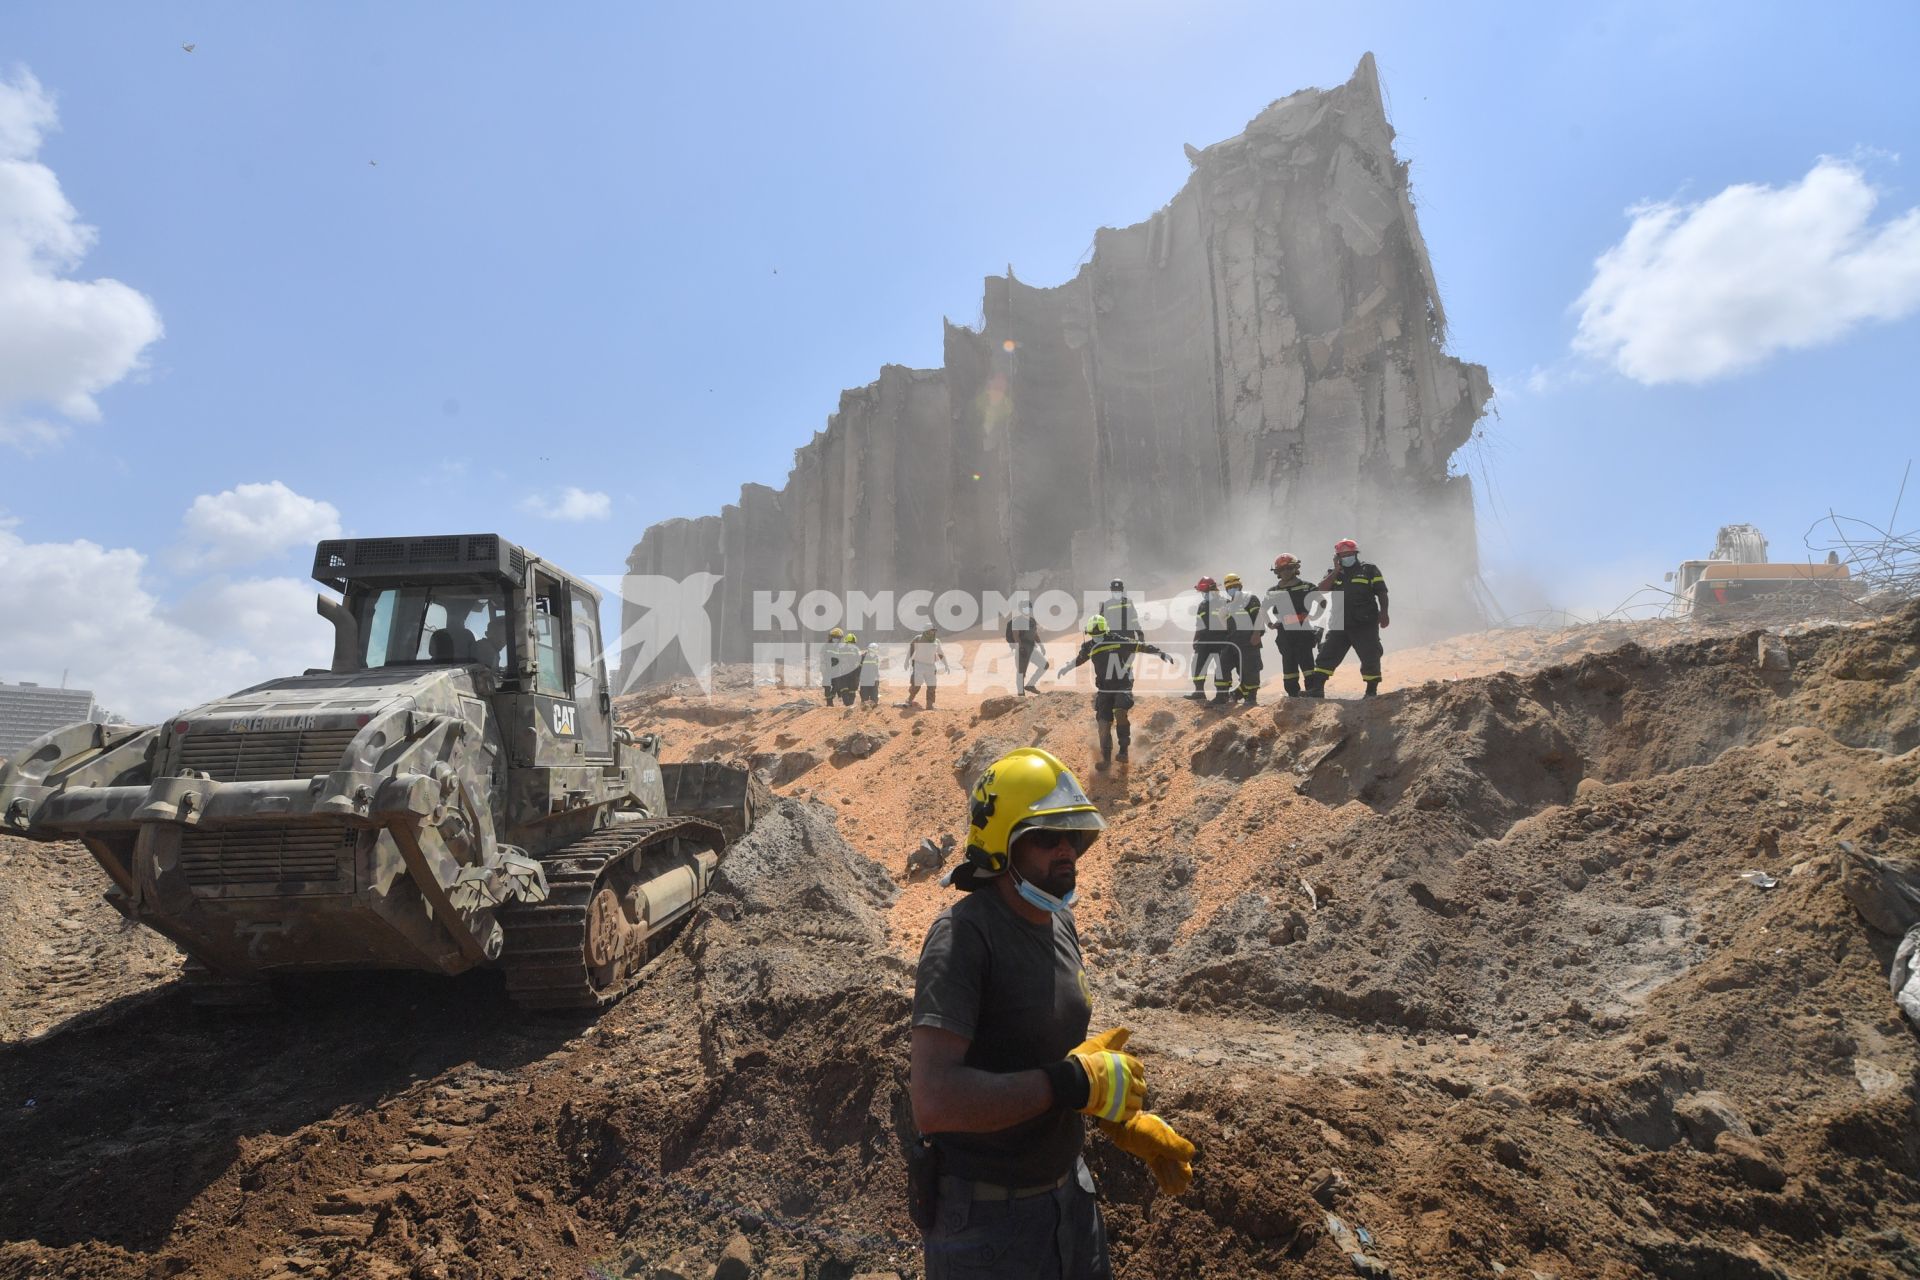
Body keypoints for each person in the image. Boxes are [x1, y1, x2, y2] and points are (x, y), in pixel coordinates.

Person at [911, 748, 1197, 1280]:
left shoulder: (1057, 923)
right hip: (986, 1229)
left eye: (1074, 836)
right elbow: (934, 1101)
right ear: (1003, 845)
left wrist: (1118, 1114)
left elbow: (1049, 1057)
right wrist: (1067, 1085)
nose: (1066, 849)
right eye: (1046, 836)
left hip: (1071, 1203)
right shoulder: (963, 938)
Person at [1057, 616, 1176, 771]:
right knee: (1103, 724)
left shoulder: (1116, 640)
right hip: (1104, 689)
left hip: (1122, 684)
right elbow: (1079, 659)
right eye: (1093, 634)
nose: (1097, 636)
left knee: (1120, 712)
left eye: (1099, 633)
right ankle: (1106, 760)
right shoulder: (1088, 647)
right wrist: (1066, 668)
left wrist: (1159, 653)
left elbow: (1138, 646)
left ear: (1105, 630)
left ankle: (1123, 751)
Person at [1305, 538, 1390, 698]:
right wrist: (1337, 570)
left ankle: (1371, 691)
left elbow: (1382, 592)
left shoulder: (1369, 570)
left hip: (1364, 623)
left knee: (1370, 655)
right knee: (1327, 655)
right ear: (1337, 557)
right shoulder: (1333, 573)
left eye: (1349, 554)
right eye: (1342, 555)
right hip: (1339, 623)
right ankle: (1317, 690)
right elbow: (1321, 590)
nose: (1346, 557)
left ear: (1356, 554)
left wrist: (1384, 613)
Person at [1266, 554, 1319, 697]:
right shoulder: (1273, 591)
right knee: (1288, 664)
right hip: (1284, 633)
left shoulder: (1307, 586)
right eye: (1282, 569)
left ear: (1295, 568)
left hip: (1303, 630)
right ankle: (1293, 695)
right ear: (1277, 572)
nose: (1286, 572)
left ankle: (1312, 693)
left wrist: (1312, 616)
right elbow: (1263, 610)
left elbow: (1322, 603)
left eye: (1289, 568)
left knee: (1307, 662)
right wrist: (1270, 623)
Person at [1187, 576, 1237, 705]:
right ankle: (1199, 692)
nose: (1204, 595)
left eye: (1206, 592)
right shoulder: (1202, 605)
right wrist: (1195, 638)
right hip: (1204, 641)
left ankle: (1222, 696)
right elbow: (1199, 624)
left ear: (1214, 589)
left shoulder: (1226, 603)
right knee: (1197, 665)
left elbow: (1231, 624)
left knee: (1222, 669)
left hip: (1221, 641)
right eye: (1203, 593)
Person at [1221, 572, 1264, 705]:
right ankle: (1227, 695)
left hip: (1248, 642)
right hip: (1232, 643)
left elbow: (1259, 617)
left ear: (1240, 586)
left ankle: (1251, 698)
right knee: (1224, 666)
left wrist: (1257, 634)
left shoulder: (1250, 598)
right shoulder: (1227, 605)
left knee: (1250, 669)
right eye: (1229, 587)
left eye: (1234, 586)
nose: (1232, 589)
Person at [1005, 597, 1048, 695]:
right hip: (1022, 648)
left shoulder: (1032, 620)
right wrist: (1020, 647)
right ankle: (1021, 693)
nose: (1027, 609)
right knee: (1021, 672)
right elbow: (1016, 635)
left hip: (1032, 648)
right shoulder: (1017, 620)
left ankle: (1030, 685)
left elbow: (1035, 634)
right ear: (1020, 609)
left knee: (1045, 665)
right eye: (1024, 608)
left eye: (1028, 607)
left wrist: (1041, 645)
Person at [904, 627, 952, 708]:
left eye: (934, 631)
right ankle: (909, 699)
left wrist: (946, 664)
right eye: (931, 630)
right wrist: (906, 661)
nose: (932, 632)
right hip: (919, 665)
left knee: (932, 686)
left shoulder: (936, 641)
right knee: (916, 683)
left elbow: (940, 654)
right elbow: (911, 650)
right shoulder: (918, 638)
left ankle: (929, 705)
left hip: (930, 666)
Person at [821, 627, 847, 706]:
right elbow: (822, 657)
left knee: (837, 685)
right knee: (827, 686)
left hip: (836, 670)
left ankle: (831, 698)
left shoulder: (839, 648)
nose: (837, 640)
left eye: (838, 638)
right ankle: (829, 703)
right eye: (835, 637)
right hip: (828, 669)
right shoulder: (826, 646)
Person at [859, 641, 882, 710]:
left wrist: (877, 678)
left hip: (873, 680)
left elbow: (876, 669)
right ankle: (864, 709)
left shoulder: (876, 657)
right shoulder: (863, 657)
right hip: (865, 680)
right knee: (864, 698)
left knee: (874, 698)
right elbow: (859, 668)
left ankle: (873, 708)